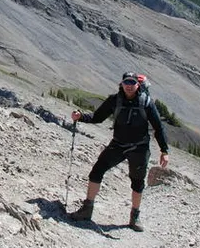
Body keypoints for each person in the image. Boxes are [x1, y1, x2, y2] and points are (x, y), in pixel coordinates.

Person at [67, 71, 170, 231]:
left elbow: (158, 126)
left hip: (139, 148)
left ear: (138, 85)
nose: (129, 86)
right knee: (96, 172)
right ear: (121, 84)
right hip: (119, 144)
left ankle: (134, 217)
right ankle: (87, 210)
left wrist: (164, 150)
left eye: (132, 83)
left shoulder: (146, 102)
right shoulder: (115, 100)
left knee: (137, 183)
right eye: (126, 82)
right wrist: (80, 117)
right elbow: (98, 117)